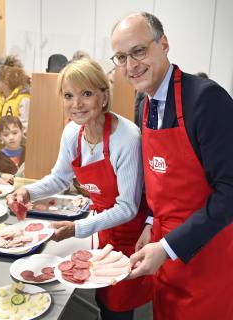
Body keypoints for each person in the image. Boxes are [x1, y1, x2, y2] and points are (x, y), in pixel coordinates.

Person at [7, 57, 151, 320]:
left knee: (118, 306)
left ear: (103, 97)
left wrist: (77, 229)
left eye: (86, 94)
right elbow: (60, 178)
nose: (77, 104)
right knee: (102, 297)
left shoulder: (126, 137)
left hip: (132, 233)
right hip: (104, 229)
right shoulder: (73, 132)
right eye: (68, 95)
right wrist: (29, 192)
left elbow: (128, 207)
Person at [111, 11, 233, 320]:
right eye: (122, 57)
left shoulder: (206, 100)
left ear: (163, 44)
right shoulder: (144, 102)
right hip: (163, 257)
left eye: (139, 51)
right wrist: (151, 223)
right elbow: (160, 178)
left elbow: (229, 192)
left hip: (206, 256)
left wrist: (167, 247)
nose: (131, 65)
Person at [0, 55, 30, 154]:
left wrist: (3, 134)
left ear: (5, 80)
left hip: (18, 153)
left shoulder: (23, 100)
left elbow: (25, 129)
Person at [0, 115, 25, 183]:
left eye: (15, 133)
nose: (11, 137)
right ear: (0, 137)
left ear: (22, 131)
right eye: (6, 135)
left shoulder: (29, 153)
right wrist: (1, 175)